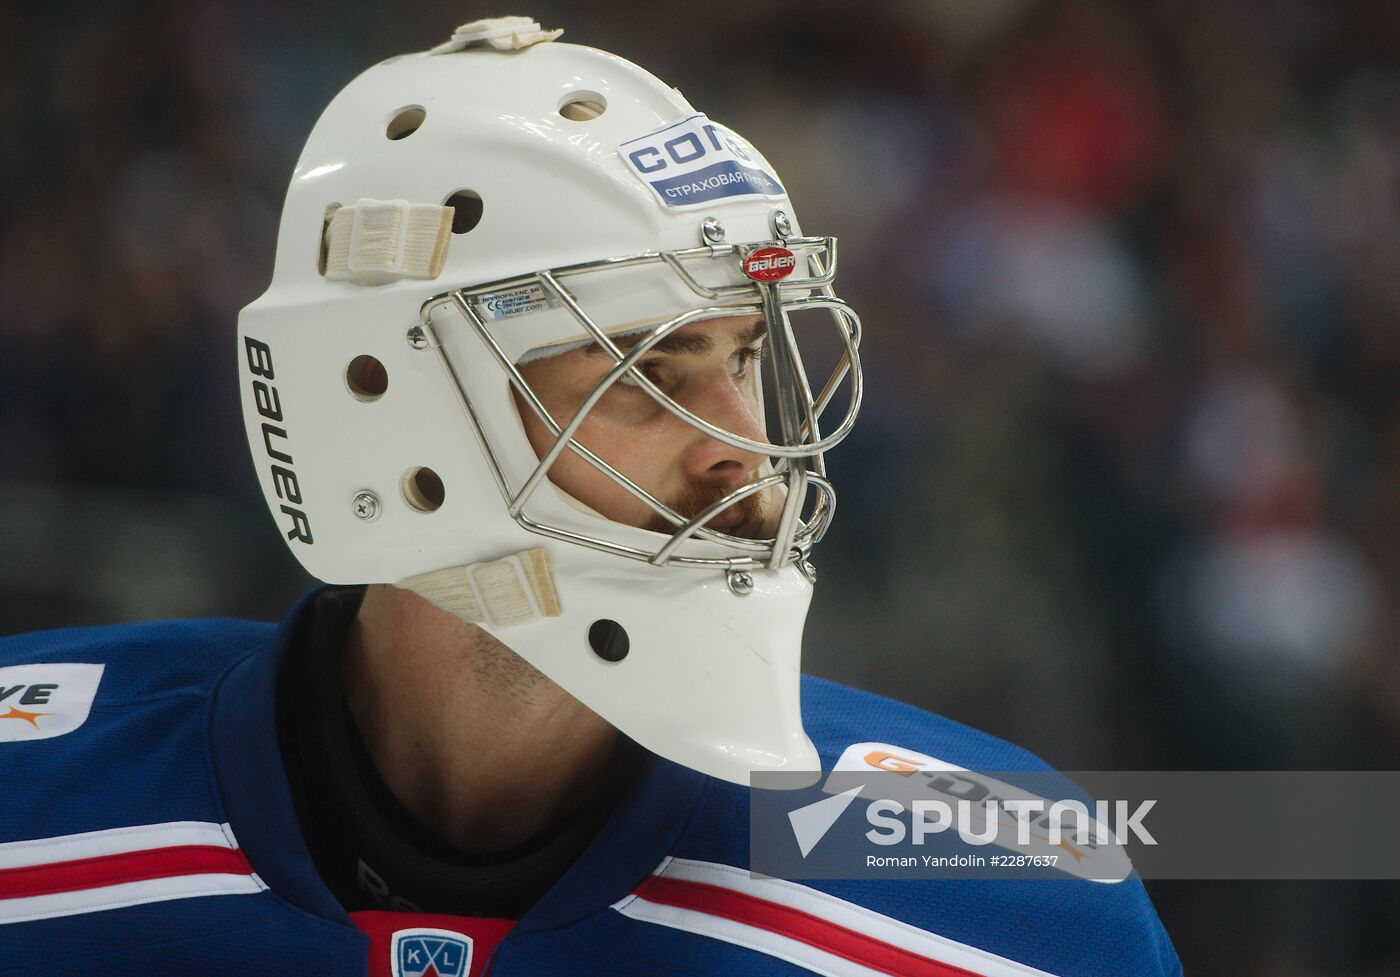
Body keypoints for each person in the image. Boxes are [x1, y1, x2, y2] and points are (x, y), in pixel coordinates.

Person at [0, 17, 1180, 977]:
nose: (743, 449)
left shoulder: (1016, 899)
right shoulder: (32, 800)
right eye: (644, 371)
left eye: (742, 358)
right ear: (388, 409)